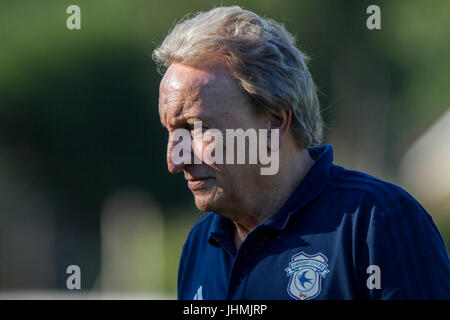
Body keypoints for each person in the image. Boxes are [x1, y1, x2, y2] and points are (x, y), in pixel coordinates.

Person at [152, 6, 450, 300]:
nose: (175, 161)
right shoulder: (199, 246)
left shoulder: (378, 222)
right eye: (172, 132)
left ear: (274, 123)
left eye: (197, 128)